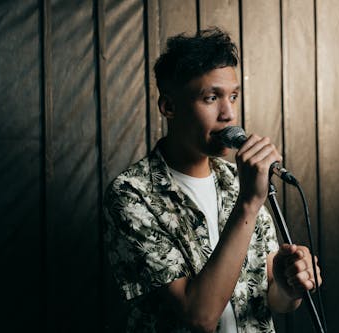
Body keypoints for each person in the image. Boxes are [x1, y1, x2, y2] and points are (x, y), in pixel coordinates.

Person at [103, 28, 322, 333]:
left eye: (233, 96)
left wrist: (289, 288)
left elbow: (270, 297)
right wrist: (247, 204)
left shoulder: (236, 181)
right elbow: (198, 317)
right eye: (211, 98)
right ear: (169, 107)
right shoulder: (131, 194)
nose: (229, 114)